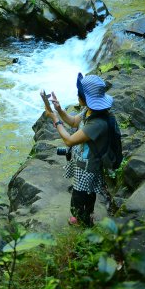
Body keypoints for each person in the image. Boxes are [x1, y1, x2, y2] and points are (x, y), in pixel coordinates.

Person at [43, 73, 116, 226]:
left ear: (87, 98)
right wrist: (60, 110)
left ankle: (83, 222)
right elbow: (74, 122)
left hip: (88, 168)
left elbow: (69, 140)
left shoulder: (98, 124)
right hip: (82, 163)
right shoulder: (89, 111)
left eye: (80, 93)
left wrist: (55, 119)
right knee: (87, 194)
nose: (77, 95)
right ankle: (87, 215)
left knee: (80, 196)